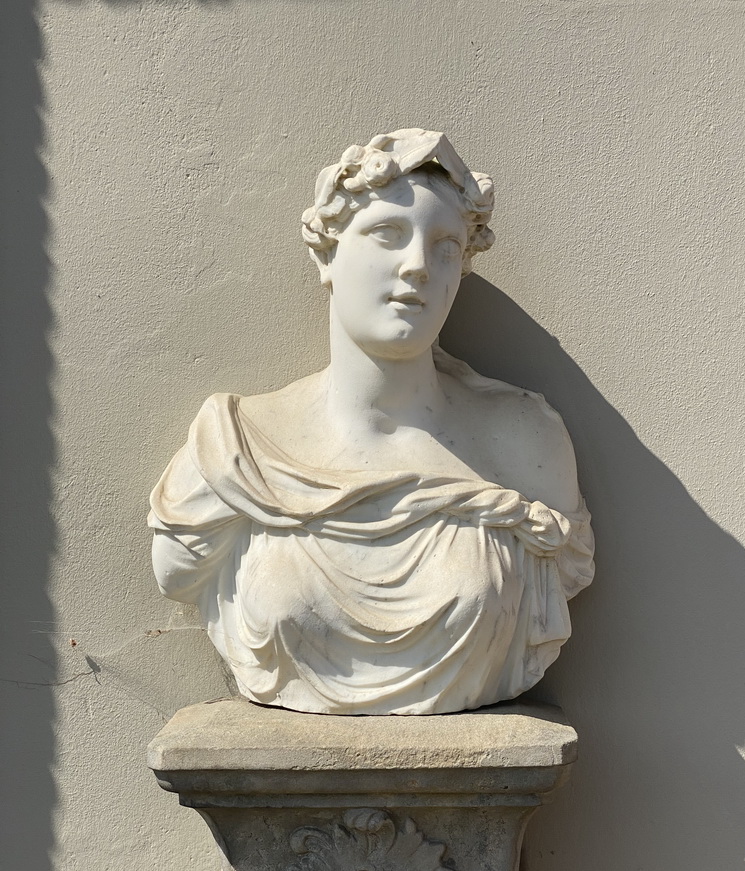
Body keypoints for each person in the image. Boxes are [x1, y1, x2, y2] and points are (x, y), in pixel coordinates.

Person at [149, 129, 595, 715]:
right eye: (388, 234)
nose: (417, 267)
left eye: (445, 248)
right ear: (326, 253)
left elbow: (567, 563)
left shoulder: (522, 443)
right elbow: (178, 572)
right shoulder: (236, 449)